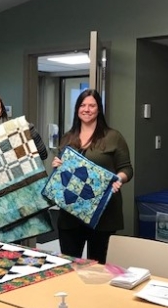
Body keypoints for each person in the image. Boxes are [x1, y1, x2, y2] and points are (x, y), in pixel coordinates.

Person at [51, 88, 133, 264]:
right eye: (83, 105)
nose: (87, 109)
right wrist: (57, 166)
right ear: (77, 109)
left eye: (92, 105)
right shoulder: (67, 138)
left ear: (99, 109)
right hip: (70, 213)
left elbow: (127, 169)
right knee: (70, 265)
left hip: (102, 214)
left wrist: (119, 178)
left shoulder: (113, 137)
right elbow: (62, 174)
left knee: (98, 267)